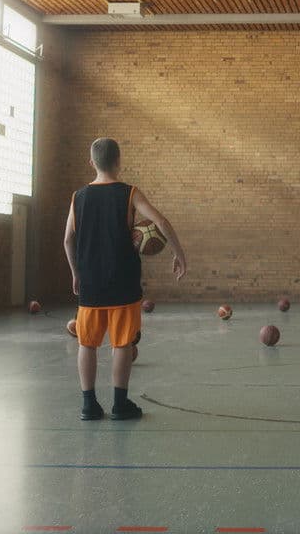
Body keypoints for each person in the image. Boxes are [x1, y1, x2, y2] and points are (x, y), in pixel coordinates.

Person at [63, 137, 186, 420]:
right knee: (122, 344)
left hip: (91, 282)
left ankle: (89, 405)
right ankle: (120, 405)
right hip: (123, 283)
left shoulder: (78, 197)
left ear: (91, 162)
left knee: (87, 343)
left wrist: (75, 272)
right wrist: (179, 253)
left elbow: (68, 239)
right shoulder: (130, 193)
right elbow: (161, 222)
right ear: (118, 161)